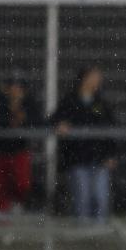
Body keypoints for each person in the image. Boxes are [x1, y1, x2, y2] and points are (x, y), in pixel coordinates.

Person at [50, 66, 117, 221]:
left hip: (99, 159)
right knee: (82, 198)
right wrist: (60, 124)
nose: (97, 82)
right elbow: (54, 119)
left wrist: (111, 154)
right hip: (78, 159)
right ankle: (83, 234)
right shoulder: (70, 101)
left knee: (100, 198)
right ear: (84, 79)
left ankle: (98, 235)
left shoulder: (100, 103)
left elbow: (110, 129)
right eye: (93, 78)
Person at [0, 71, 43, 212]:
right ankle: (2, 220)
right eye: (12, 86)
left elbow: (39, 121)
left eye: (19, 87)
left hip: (18, 151)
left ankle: (16, 205)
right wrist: (10, 120)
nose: (15, 90)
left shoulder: (29, 102)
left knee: (22, 184)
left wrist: (24, 119)